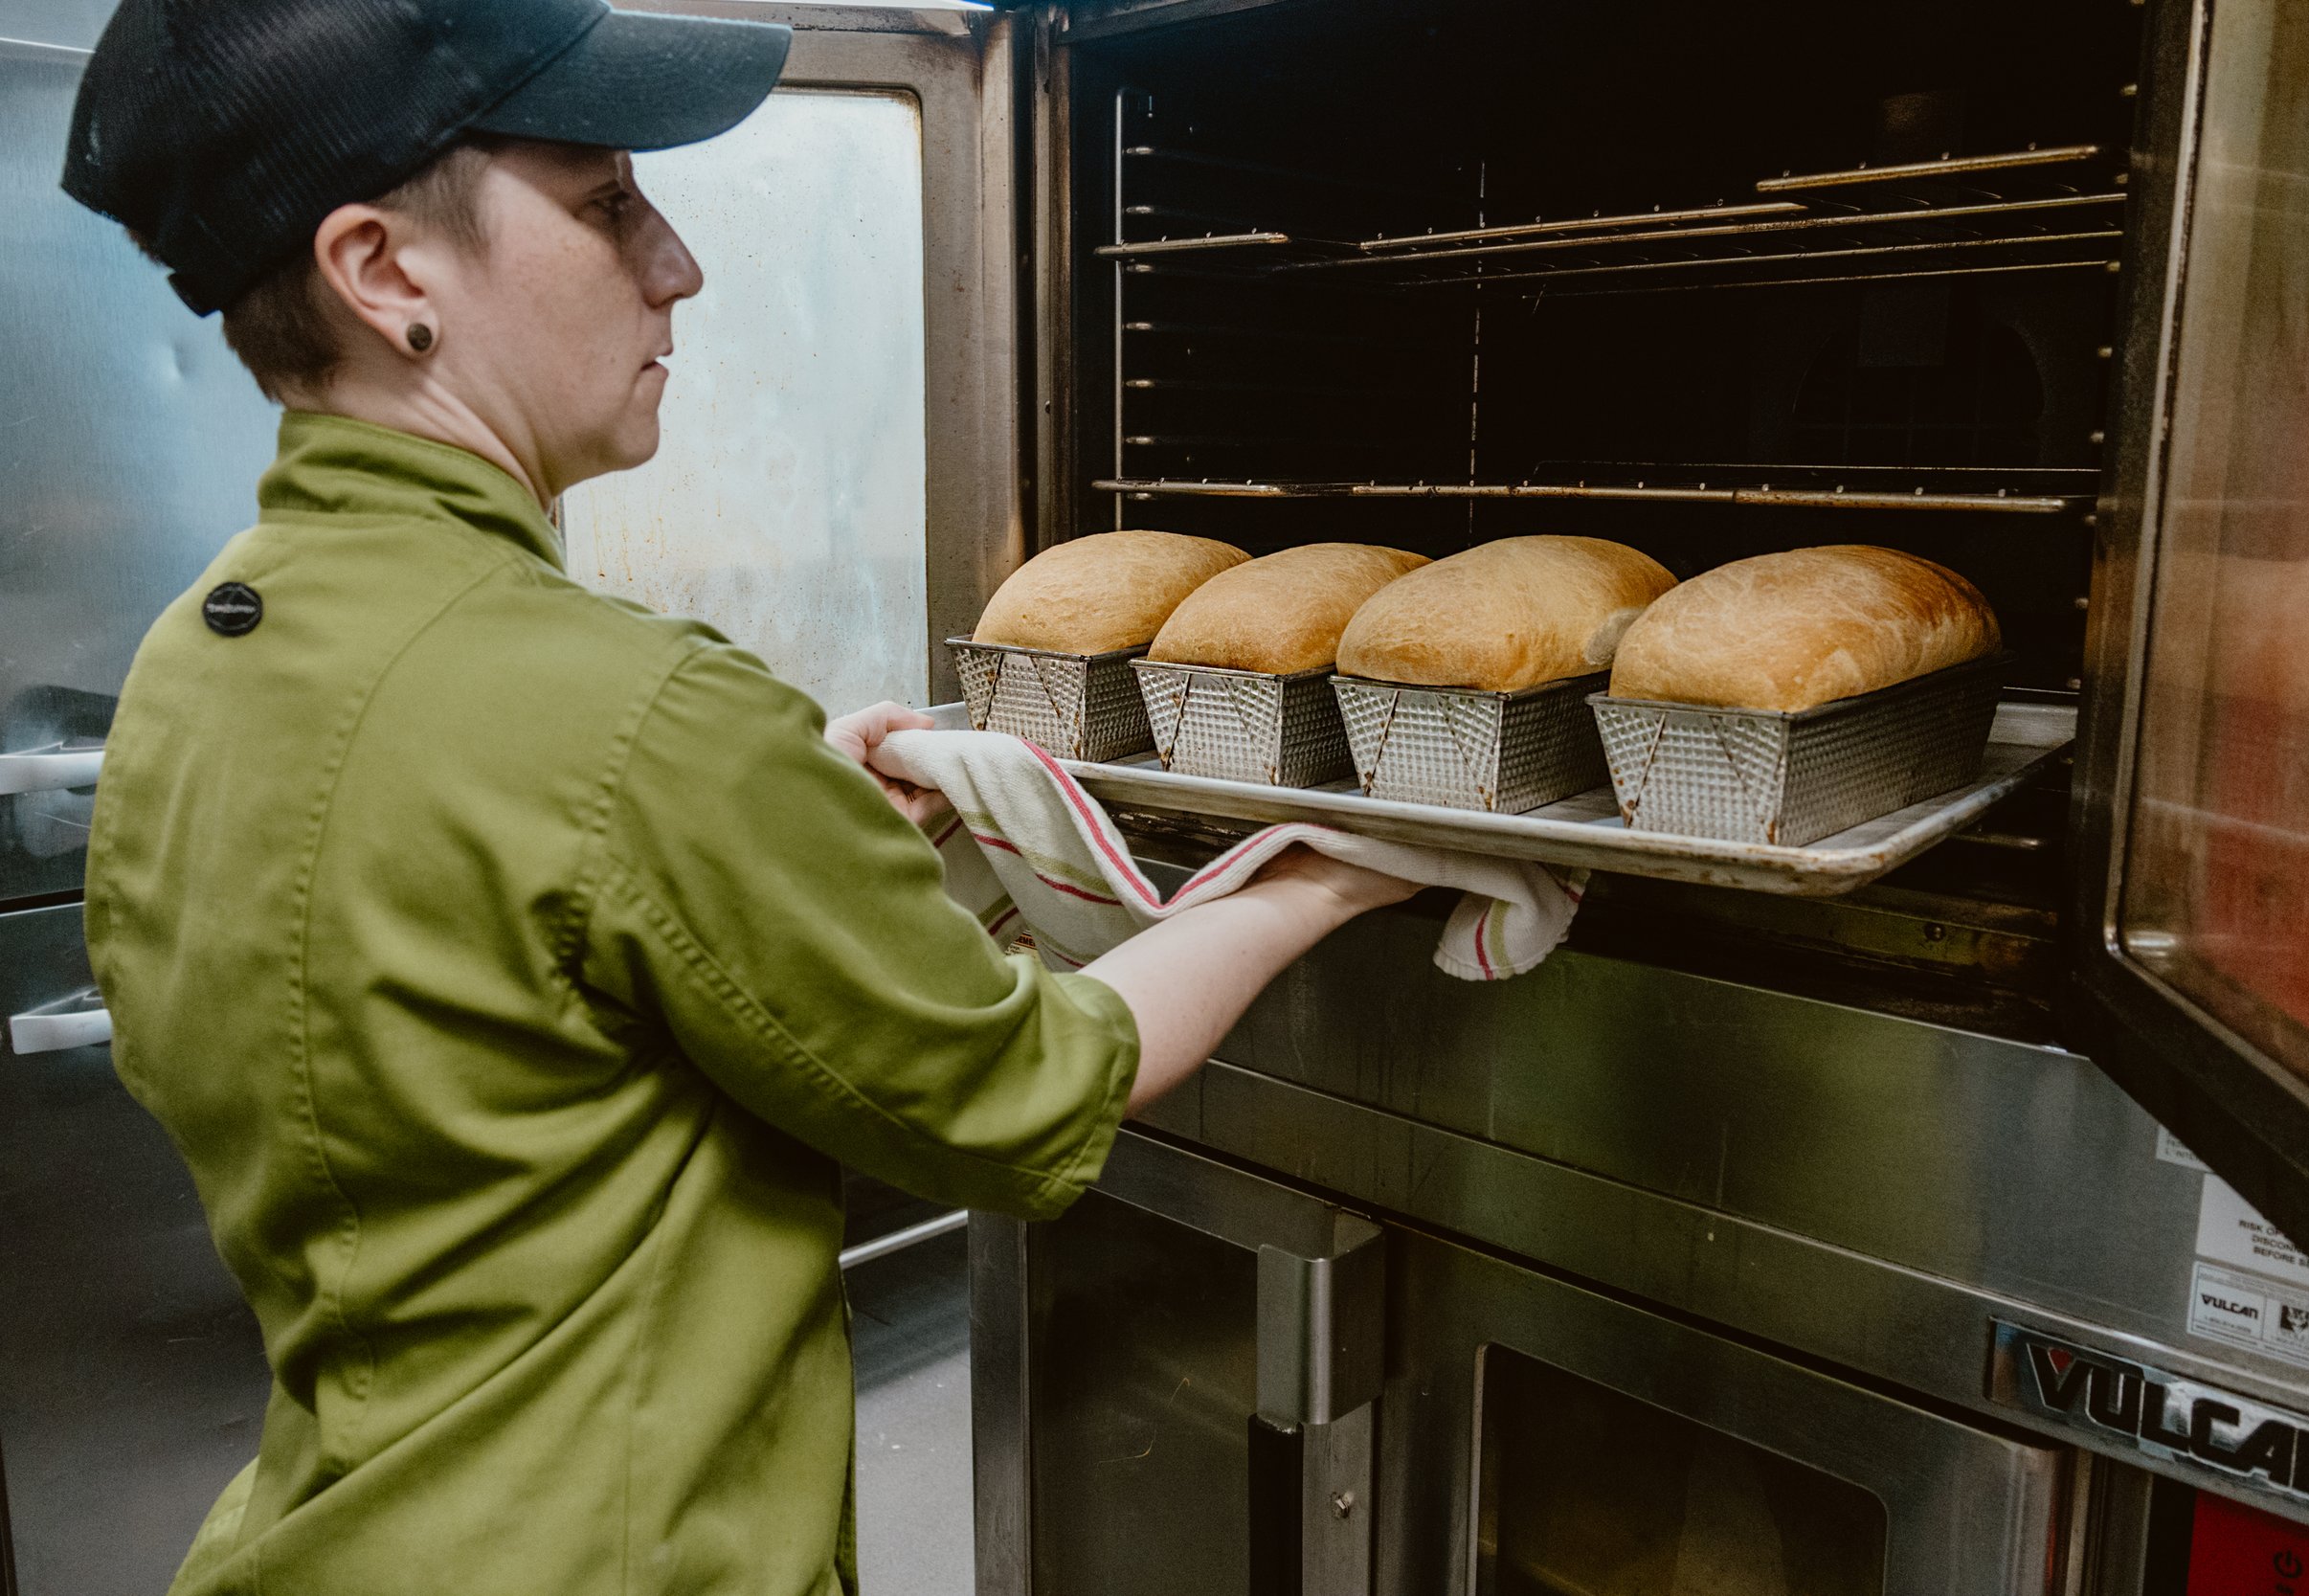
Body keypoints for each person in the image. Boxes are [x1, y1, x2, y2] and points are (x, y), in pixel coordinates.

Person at [58, 3, 1418, 1592]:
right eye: (606, 200)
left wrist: (769, 820)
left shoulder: (197, 659)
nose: (676, 264)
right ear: (383, 271)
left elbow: (463, 980)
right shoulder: (634, 722)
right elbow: (1043, 1083)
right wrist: (1317, 875)